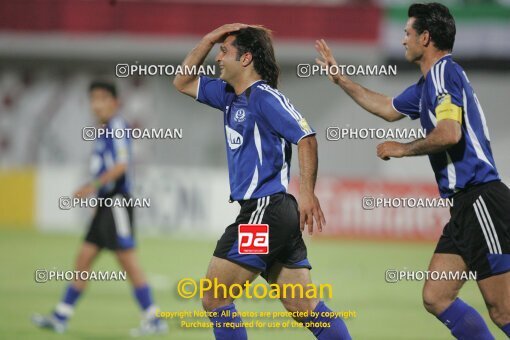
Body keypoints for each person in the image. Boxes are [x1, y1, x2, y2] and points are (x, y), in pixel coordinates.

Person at [315, 2, 510, 339]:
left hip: (482, 202)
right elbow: (387, 109)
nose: (402, 39)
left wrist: (403, 149)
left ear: (426, 37)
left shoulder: (444, 73)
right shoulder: (426, 86)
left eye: (407, 33)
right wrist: (340, 79)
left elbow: (450, 133)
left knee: (502, 308)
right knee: (436, 296)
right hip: (465, 207)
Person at [173, 24, 352, 340]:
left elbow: (307, 138)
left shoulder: (264, 97)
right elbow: (182, 81)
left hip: (264, 212)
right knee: (304, 306)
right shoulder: (228, 95)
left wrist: (308, 193)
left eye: (224, 51)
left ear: (246, 59)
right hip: (272, 215)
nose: (217, 57)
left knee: (215, 297)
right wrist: (209, 38)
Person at [32, 81, 167, 336]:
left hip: (116, 203)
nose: (97, 104)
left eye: (102, 98)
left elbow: (120, 166)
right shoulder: (104, 129)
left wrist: (91, 187)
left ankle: (154, 318)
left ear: (115, 102)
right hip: (105, 206)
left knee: (128, 263)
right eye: (93, 99)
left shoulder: (116, 126)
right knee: (83, 260)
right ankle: (61, 316)